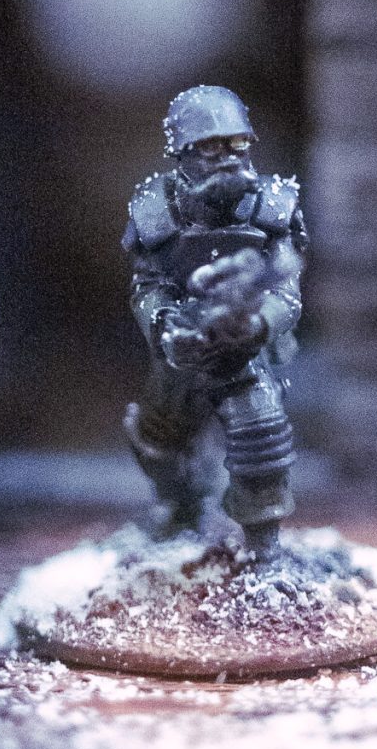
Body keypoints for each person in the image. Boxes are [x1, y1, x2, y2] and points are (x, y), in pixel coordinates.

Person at [121, 85, 305, 560]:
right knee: (158, 436)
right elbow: (147, 286)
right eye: (211, 148)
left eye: (238, 145)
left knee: (262, 435)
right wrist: (166, 326)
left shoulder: (273, 211)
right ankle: (180, 507)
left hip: (246, 350)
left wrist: (256, 325)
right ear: (183, 153)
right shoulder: (156, 212)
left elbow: (287, 295)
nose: (229, 159)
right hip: (183, 343)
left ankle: (263, 548)